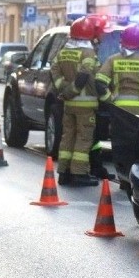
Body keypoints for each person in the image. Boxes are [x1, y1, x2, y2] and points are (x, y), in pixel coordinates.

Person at [97, 24, 139, 188]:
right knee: (137, 145)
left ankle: (123, 180)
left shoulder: (113, 60)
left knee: (120, 146)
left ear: (123, 41)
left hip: (119, 111)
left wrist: (110, 100)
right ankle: (135, 180)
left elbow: (99, 83)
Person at [50, 17, 103, 187]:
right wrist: (71, 91)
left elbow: (54, 71)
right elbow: (84, 76)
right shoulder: (88, 53)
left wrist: (64, 91)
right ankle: (79, 173)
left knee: (67, 137)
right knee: (83, 138)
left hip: (69, 105)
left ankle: (63, 172)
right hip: (85, 105)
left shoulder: (63, 52)